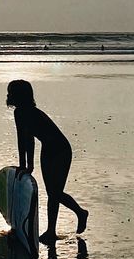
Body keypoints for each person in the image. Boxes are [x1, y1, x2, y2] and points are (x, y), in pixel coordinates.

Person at [6, 79, 87, 244]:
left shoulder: (29, 112)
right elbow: (23, 140)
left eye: (11, 92)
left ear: (19, 95)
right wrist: (25, 165)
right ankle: (51, 230)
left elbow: (28, 140)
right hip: (48, 149)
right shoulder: (20, 112)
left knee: (55, 193)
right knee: (52, 193)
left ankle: (79, 213)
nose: (8, 95)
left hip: (61, 150)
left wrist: (28, 165)